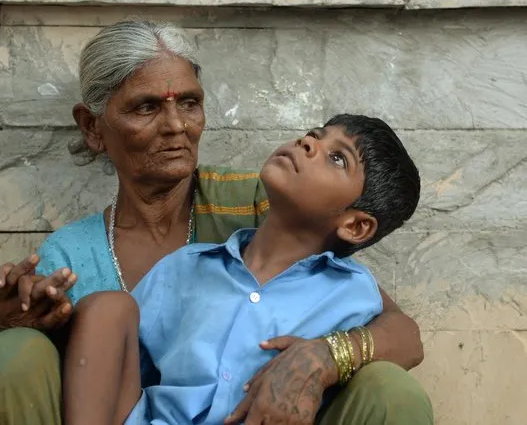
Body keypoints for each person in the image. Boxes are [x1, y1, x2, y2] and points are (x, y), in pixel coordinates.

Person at [0, 21, 432, 425]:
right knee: (53, 332)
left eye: (189, 103)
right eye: (147, 107)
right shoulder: (73, 258)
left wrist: (324, 356)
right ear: (93, 128)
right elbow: (48, 377)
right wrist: (7, 326)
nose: (176, 126)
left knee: (390, 388)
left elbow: (391, 325)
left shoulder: (257, 202)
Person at [63, 114, 421, 425]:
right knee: (107, 307)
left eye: (338, 159)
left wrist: (327, 357)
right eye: (314, 134)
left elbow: (407, 340)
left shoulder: (351, 294)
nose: (308, 143)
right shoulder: (186, 268)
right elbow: (121, 366)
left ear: (355, 227)